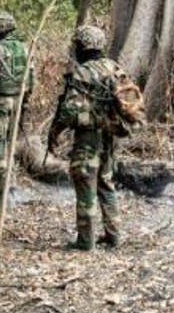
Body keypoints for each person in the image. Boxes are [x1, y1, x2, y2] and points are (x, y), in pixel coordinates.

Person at [47, 25, 132, 250]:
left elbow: (68, 111)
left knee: (85, 184)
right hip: (110, 137)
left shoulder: (81, 72)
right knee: (106, 182)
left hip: (88, 138)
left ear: (82, 46)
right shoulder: (114, 67)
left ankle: (86, 241)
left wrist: (55, 132)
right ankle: (114, 236)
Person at [0, 11, 34, 202]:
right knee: (11, 145)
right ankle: (12, 186)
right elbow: (31, 78)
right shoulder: (24, 48)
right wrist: (25, 100)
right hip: (18, 102)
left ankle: (3, 193)